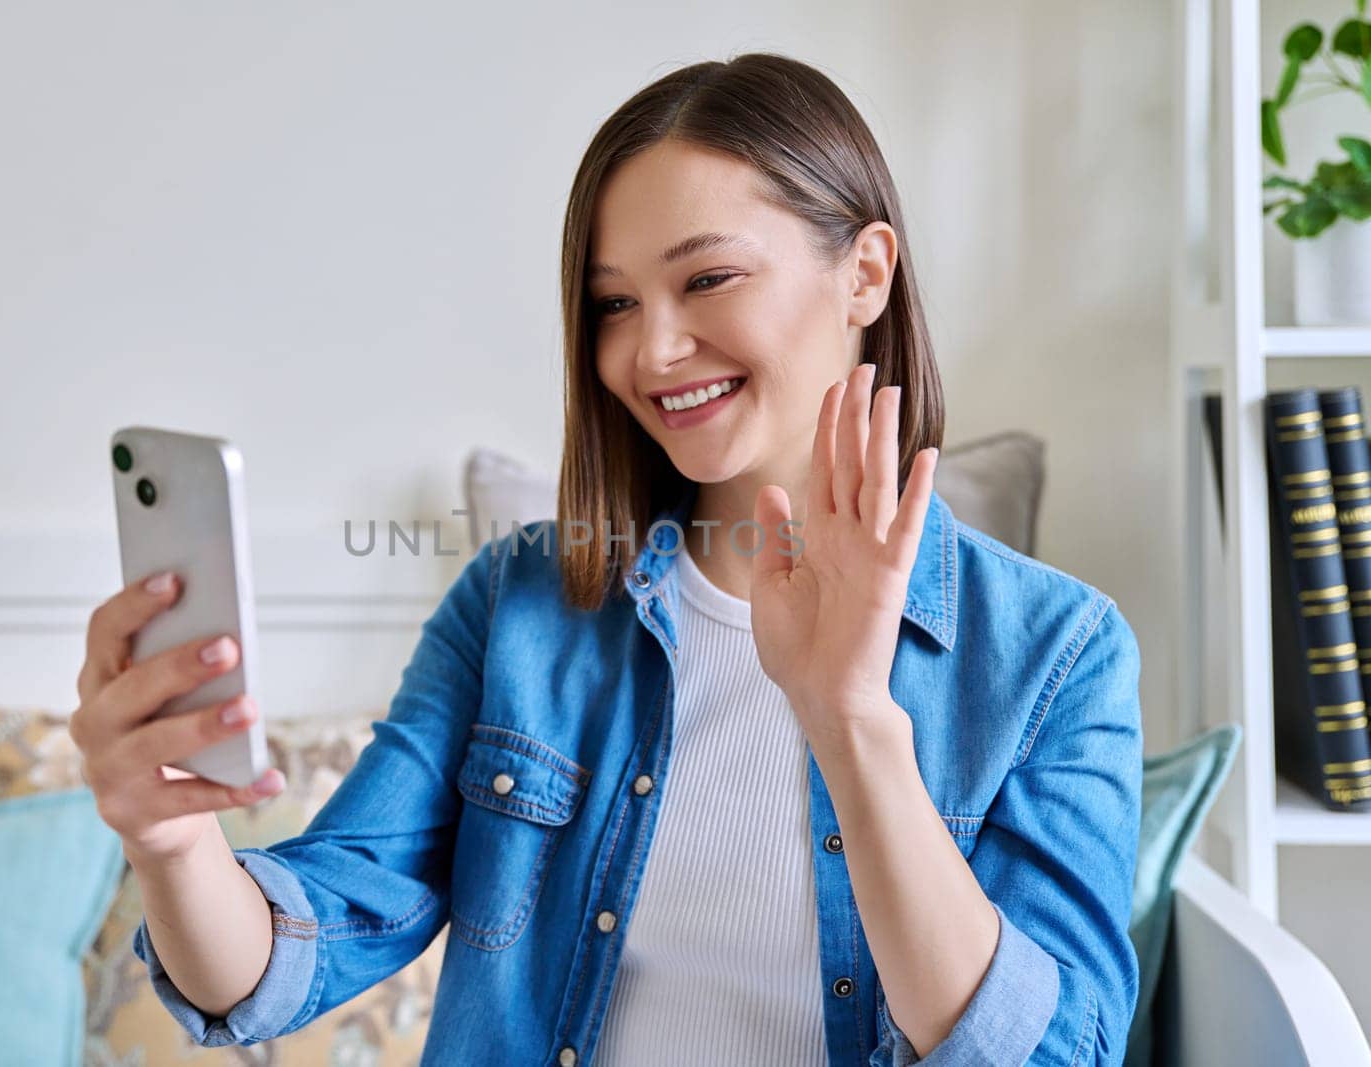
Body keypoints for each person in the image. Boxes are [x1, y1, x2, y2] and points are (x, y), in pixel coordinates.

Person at [70, 52, 1142, 1067]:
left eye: (708, 278)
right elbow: (307, 940)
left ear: (863, 274)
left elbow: (1055, 1050)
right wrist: (169, 843)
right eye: (613, 303)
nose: (650, 350)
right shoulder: (519, 601)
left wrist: (852, 719)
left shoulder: (1056, 652)